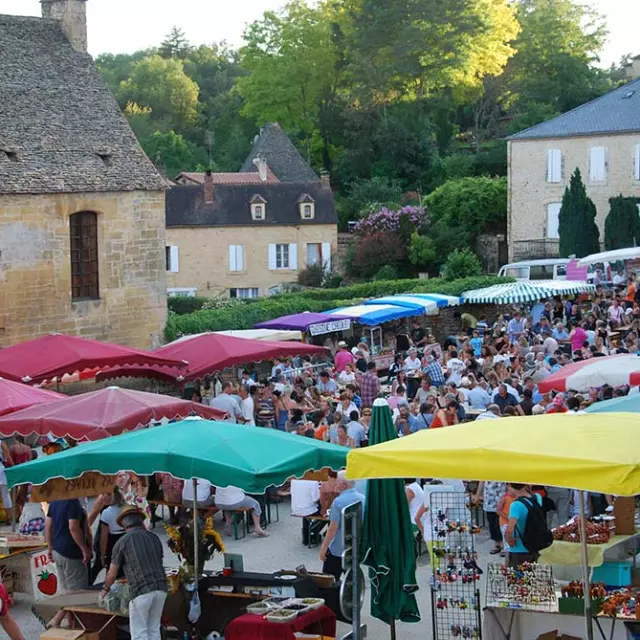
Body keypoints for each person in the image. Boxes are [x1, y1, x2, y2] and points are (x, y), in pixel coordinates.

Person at [102, 506, 167, 640]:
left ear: (124, 525)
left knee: (139, 634)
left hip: (141, 590)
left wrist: (105, 589)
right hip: (161, 588)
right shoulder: (154, 537)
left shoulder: (122, 542)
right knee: (154, 630)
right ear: (141, 522)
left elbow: (111, 574)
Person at [45, 498, 91, 627]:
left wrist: (50, 547)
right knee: (77, 593)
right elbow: (73, 527)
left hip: (58, 551)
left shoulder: (54, 502)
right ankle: (57, 619)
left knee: (67, 590)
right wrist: (84, 549)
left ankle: (72, 623)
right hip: (71, 552)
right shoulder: (73, 502)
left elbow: (48, 526)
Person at [319, 471, 366, 580]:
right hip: (355, 545)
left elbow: (332, 529)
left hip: (339, 548)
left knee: (329, 578)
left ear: (344, 485)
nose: (335, 484)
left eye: (337, 482)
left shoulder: (338, 502)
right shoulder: (363, 498)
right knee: (352, 578)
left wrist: (323, 548)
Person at [505, 483, 544, 566]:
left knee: (517, 577)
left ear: (511, 487)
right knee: (532, 576)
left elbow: (510, 528)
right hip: (535, 545)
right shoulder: (537, 497)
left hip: (519, 548)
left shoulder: (516, 505)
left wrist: (509, 539)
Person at [474, 481, 506, 555]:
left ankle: (504, 544)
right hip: (489, 497)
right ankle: (496, 543)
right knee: (491, 522)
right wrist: (477, 495)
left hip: (501, 495)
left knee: (501, 522)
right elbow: (482, 481)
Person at [291, 480, 323, 546]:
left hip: (295, 508)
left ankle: (306, 538)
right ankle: (314, 534)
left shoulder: (294, 480)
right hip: (308, 510)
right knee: (325, 513)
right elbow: (315, 499)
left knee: (306, 512)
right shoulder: (313, 482)